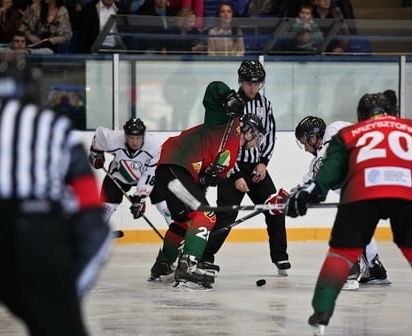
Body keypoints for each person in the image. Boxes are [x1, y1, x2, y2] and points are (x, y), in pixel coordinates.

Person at [0, 53, 112, 336]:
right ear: (33, 89)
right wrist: (66, 285)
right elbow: (91, 213)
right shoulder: (53, 127)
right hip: (35, 239)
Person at [286, 92, 412, 336]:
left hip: (363, 190)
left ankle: (322, 313)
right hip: (409, 191)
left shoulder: (343, 132)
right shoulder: (408, 128)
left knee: (341, 251)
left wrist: (312, 192)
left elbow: (328, 168)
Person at [147, 81, 264, 290]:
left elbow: (208, 179)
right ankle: (188, 266)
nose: (257, 142)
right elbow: (213, 89)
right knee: (206, 215)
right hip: (176, 164)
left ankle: (163, 264)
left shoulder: (231, 155)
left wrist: (207, 179)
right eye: (257, 136)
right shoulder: (228, 124)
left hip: (173, 171)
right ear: (249, 131)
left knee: (186, 221)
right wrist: (230, 98)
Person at [201, 60, 291, 276]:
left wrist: (263, 162)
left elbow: (269, 134)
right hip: (230, 166)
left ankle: (280, 255)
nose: (253, 87)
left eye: (258, 83)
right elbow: (222, 141)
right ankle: (205, 256)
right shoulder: (230, 104)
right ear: (241, 82)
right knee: (226, 215)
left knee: (274, 208)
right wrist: (235, 174)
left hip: (256, 167)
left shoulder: (265, 104)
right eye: (249, 83)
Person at [293, 115, 391, 290]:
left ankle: (350, 274)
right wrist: (288, 196)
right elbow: (307, 182)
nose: (305, 149)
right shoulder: (319, 162)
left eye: (304, 143)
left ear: (313, 137)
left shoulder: (334, 129)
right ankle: (375, 269)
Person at [88, 118, 173, 227]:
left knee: (162, 200)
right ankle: (97, 233)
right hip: (119, 174)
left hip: (144, 175)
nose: (135, 142)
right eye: (131, 138)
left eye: (138, 138)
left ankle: (176, 230)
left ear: (143, 136)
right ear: (125, 136)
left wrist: (140, 197)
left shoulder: (154, 146)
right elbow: (99, 133)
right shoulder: (113, 140)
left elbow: (149, 173)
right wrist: (96, 152)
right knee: (106, 207)